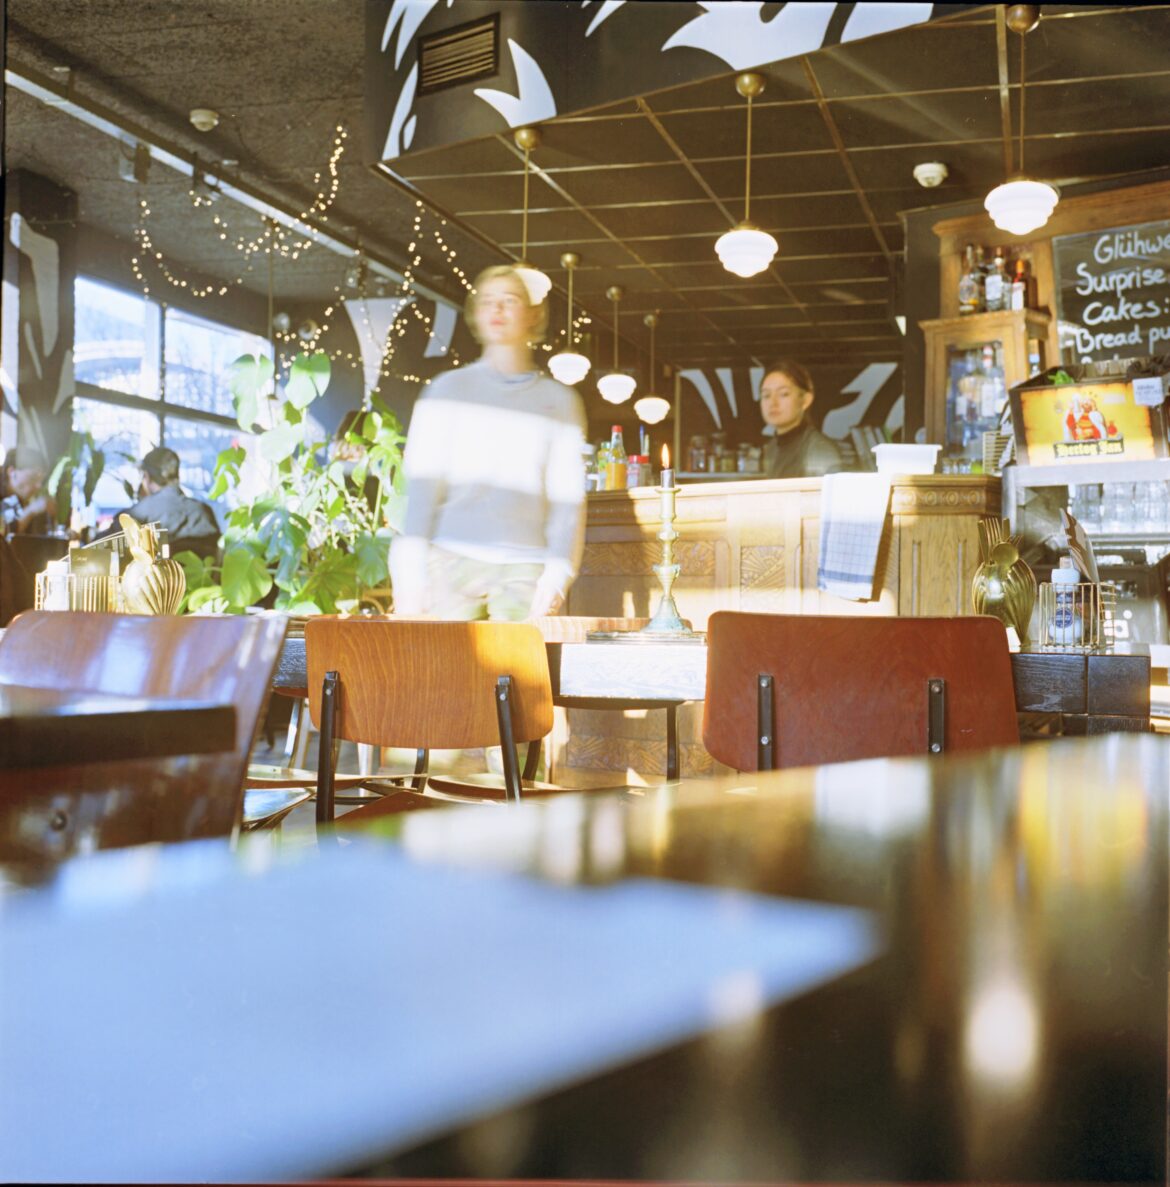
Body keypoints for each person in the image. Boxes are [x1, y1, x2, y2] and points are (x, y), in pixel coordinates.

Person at [390, 264, 587, 621]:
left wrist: (558, 574)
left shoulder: (559, 402)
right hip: (448, 564)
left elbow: (568, 503)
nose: (497, 309)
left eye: (509, 300)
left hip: (525, 569)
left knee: (518, 660)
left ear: (533, 314)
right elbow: (420, 492)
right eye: (487, 301)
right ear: (476, 314)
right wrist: (409, 574)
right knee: (441, 660)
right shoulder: (447, 390)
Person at [121, 446, 220, 558]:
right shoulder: (204, 511)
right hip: (202, 569)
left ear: (146, 477)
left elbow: (108, 545)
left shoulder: (138, 514)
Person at [759, 360, 845, 479]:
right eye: (766, 395)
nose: (773, 403)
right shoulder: (771, 448)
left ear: (805, 400)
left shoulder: (819, 451)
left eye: (784, 394)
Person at [1, 445, 54, 535]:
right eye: (33, 478)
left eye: (41, 481)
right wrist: (31, 510)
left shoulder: (20, 501)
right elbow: (5, 532)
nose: (38, 486)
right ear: (11, 471)